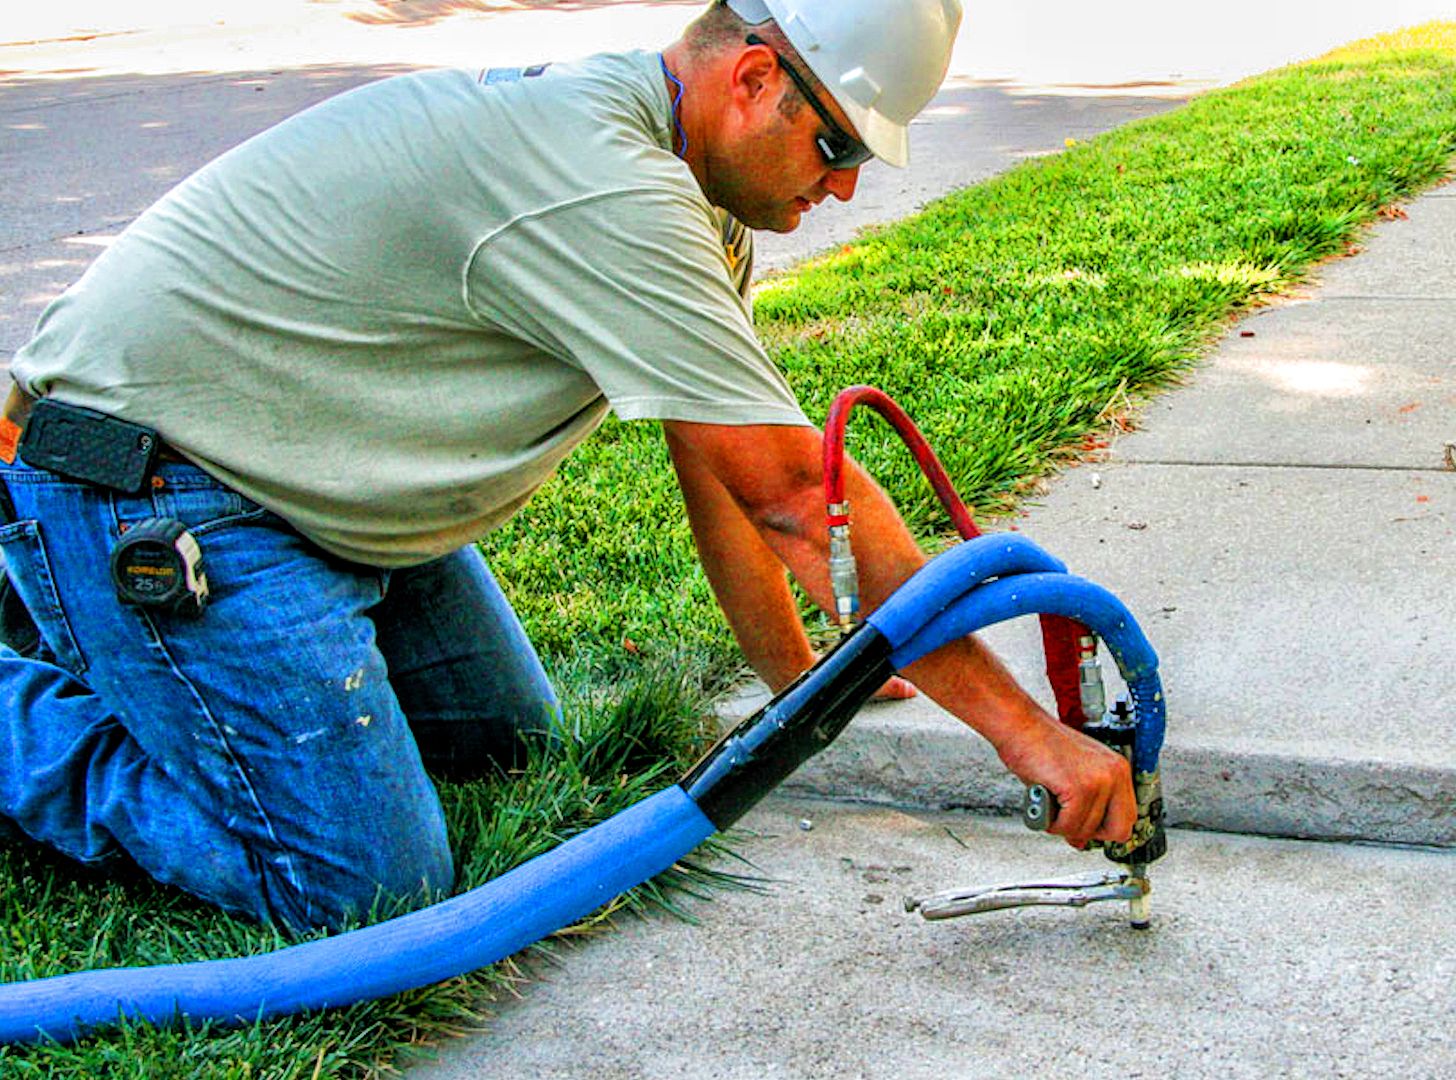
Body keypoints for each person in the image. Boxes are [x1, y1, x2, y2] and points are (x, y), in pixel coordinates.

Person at [0, 0, 1134, 933]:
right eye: (835, 142)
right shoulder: (612, 184)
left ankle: (145, 654)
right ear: (749, 79)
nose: (842, 187)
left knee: (507, 754)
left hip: (308, 491)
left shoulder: (694, 201)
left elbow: (727, 473)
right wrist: (1029, 737)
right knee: (358, 888)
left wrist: (800, 684)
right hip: (149, 483)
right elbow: (797, 496)